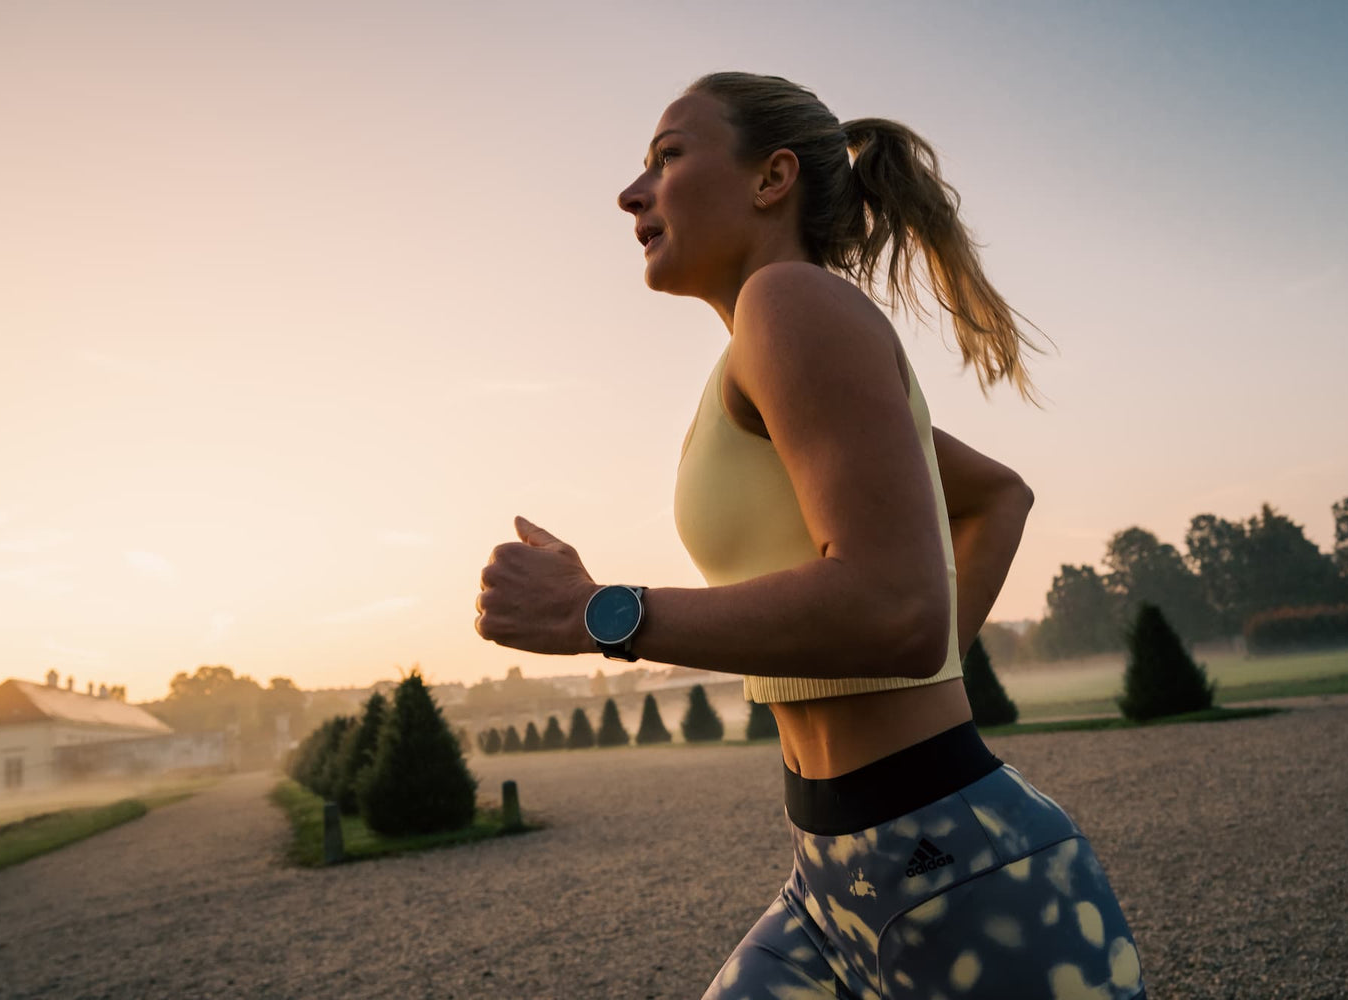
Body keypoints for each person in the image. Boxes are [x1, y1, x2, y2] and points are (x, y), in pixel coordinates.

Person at [475, 72, 1146, 1000]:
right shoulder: (756, 357)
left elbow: (897, 604)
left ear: (771, 178)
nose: (633, 193)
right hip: (833, 878)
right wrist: (921, 664)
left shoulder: (790, 303)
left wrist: (602, 614)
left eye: (668, 157)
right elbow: (997, 498)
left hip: (962, 877)